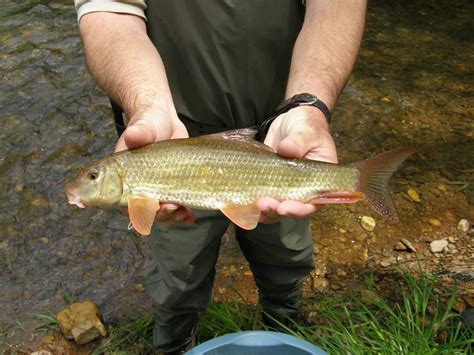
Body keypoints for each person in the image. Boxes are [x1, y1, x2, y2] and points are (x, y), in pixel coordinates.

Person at [74, 1, 366, 353]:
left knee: (287, 259)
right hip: (173, 133)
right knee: (177, 277)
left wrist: (309, 106)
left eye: (92, 177)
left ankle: (283, 321)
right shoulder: (140, 164)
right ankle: (175, 342)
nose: (87, 182)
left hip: (281, 139)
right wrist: (147, 104)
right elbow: (111, 14)